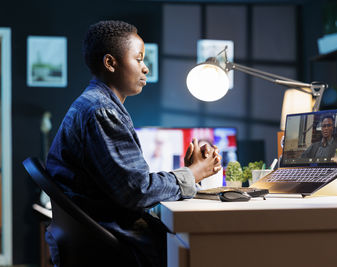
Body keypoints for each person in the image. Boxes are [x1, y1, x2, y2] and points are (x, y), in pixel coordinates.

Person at [45, 20, 222, 267]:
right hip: (116, 245)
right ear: (110, 63)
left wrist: (189, 173)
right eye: (139, 59)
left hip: (100, 239)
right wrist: (192, 173)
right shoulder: (101, 111)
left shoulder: (94, 104)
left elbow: (130, 185)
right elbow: (137, 191)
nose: (145, 68)